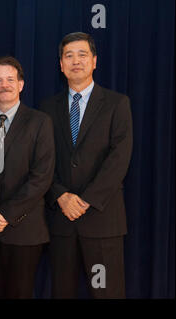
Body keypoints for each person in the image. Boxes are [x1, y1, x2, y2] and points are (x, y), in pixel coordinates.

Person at [39, 32, 133, 298]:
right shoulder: (47, 108)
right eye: (69, 56)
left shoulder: (117, 104)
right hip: (62, 220)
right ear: (61, 65)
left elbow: (119, 158)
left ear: (94, 61)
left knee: (107, 293)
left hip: (102, 219)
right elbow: (43, 161)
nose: (75, 61)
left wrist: (85, 200)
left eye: (82, 55)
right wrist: (61, 196)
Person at [0, 56, 55, 298]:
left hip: (24, 231)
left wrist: (6, 214)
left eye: (10, 79)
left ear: (21, 84)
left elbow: (42, 177)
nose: (4, 85)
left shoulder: (40, 122)